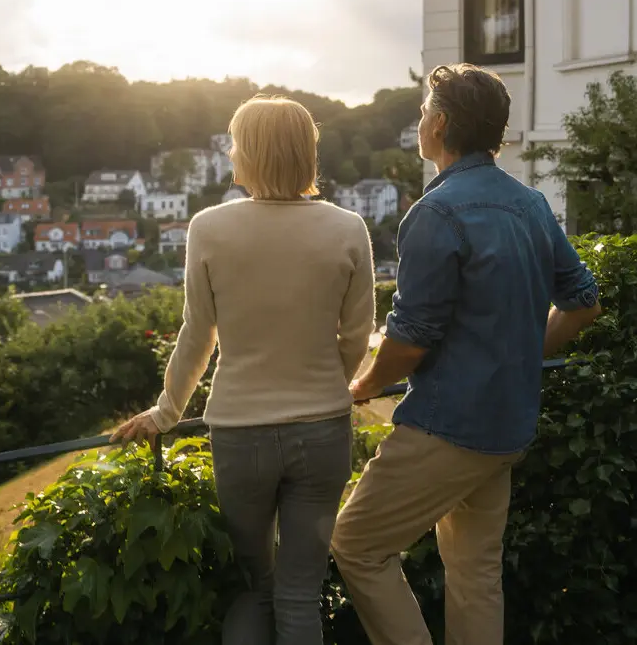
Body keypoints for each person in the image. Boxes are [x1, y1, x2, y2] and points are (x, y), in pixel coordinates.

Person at [330, 64, 602, 645]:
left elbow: (410, 339)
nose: (420, 121)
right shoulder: (530, 204)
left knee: (356, 543)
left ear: (443, 123)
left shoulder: (435, 212)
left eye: (424, 111)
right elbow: (583, 303)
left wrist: (363, 385)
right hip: (507, 425)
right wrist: (526, 356)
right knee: (475, 574)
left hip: (448, 427)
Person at [112, 95, 376, 644]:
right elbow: (356, 338)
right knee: (301, 593)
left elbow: (197, 334)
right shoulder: (349, 228)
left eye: (235, 144)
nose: (230, 154)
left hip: (240, 435)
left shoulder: (209, 228)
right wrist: (329, 381)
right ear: (307, 152)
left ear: (251, 154)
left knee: (258, 586)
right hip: (324, 429)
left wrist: (167, 412)